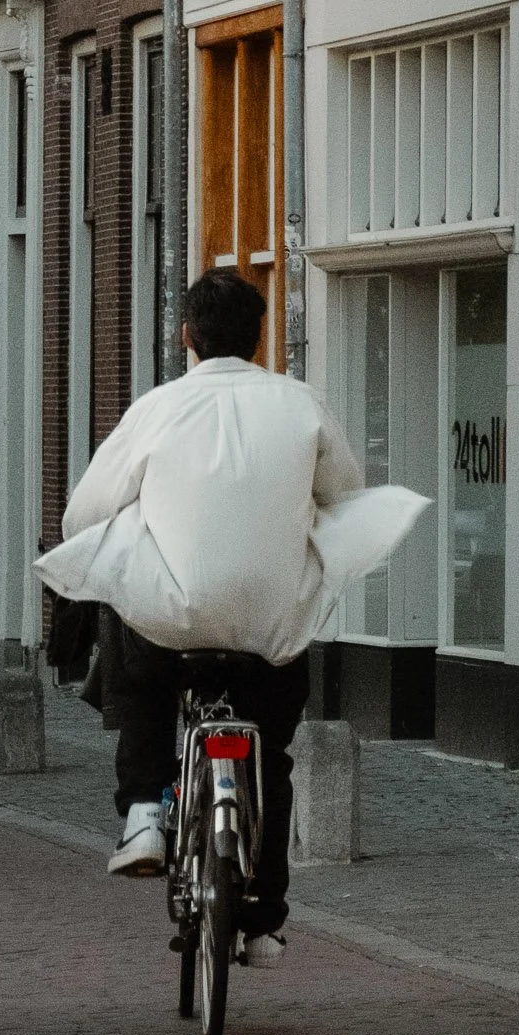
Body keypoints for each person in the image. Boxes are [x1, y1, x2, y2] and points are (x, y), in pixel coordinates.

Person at [46, 266, 424, 972]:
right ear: (259, 339)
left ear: (185, 335)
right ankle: (262, 922)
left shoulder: (157, 409)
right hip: (268, 628)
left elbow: (84, 514)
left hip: (173, 624)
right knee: (271, 759)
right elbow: (344, 492)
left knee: (140, 664)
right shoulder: (300, 403)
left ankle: (142, 815)